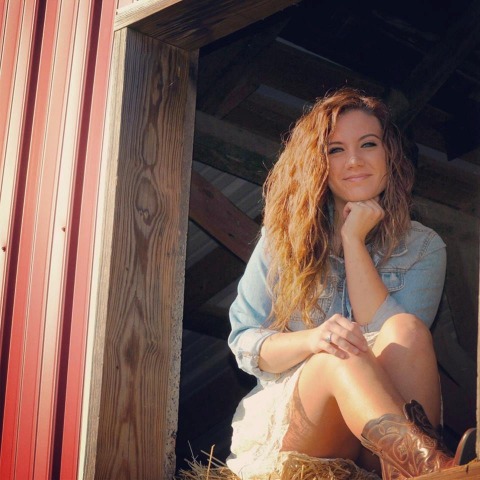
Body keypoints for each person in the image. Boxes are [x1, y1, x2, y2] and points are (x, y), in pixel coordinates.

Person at [226, 88, 475, 479]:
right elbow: (244, 342)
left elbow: (391, 343)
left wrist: (353, 241)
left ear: (389, 154)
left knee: (406, 329)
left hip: (380, 444)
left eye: (368, 144)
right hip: (309, 431)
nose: (354, 160)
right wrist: (313, 340)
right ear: (318, 163)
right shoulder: (282, 239)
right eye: (336, 150)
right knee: (335, 352)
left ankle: (420, 470)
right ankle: (434, 470)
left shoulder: (424, 247)